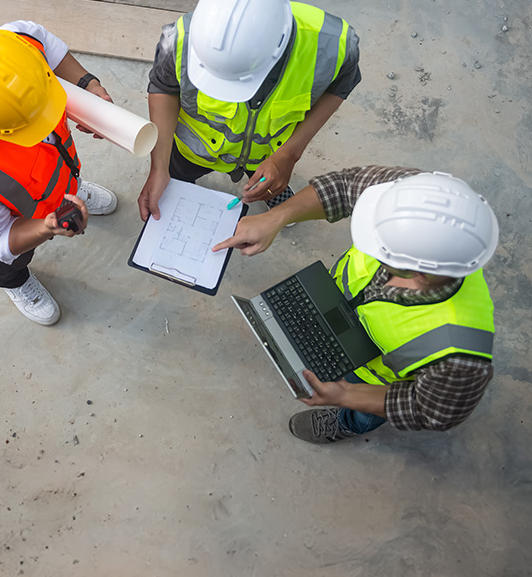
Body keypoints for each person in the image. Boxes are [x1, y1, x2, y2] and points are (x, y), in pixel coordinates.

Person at [213, 165, 498, 444]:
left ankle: (347, 422)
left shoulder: (459, 355)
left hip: (368, 377)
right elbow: (345, 186)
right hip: (332, 306)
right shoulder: (416, 197)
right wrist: (276, 217)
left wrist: (345, 396)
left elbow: (429, 410)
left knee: (362, 413)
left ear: (418, 273)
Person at [0, 21, 118, 326]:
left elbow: (47, 44)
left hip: (59, 179)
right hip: (19, 220)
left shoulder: (16, 48)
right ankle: (15, 283)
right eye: (31, 122)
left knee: (62, 171)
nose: (46, 122)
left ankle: (73, 191)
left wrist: (89, 86)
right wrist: (46, 227)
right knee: (8, 262)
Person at [138, 0, 361, 222]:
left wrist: (288, 156)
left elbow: (339, 88)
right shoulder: (179, 40)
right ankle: (176, 179)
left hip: (268, 152)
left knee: (267, 181)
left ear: (278, 50)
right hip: (195, 150)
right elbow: (164, 88)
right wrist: (159, 167)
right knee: (177, 177)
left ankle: (271, 189)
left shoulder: (335, 47)